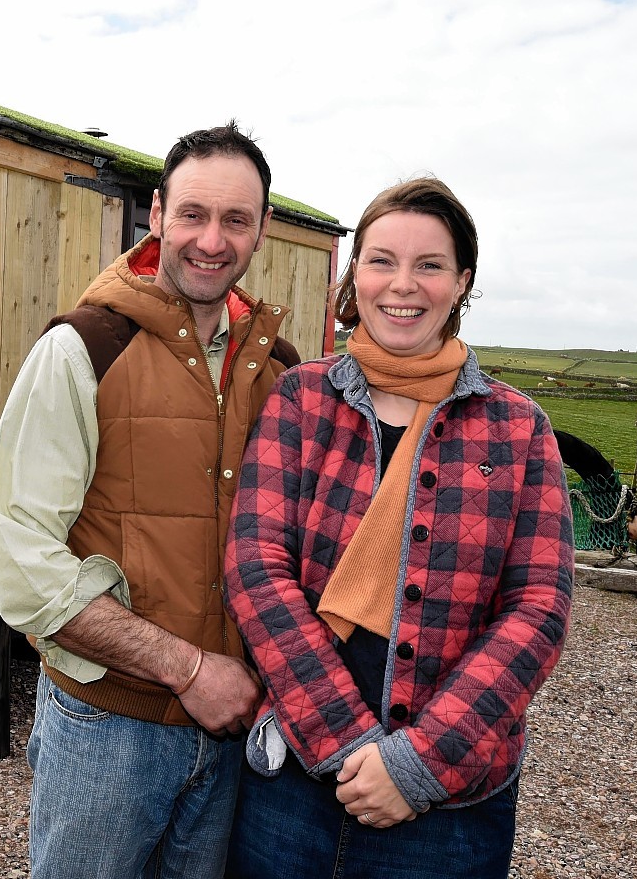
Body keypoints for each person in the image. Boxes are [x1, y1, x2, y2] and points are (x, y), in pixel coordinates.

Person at [223, 177, 574, 878]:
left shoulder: (518, 427)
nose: (402, 285)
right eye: (381, 260)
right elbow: (256, 566)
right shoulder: (302, 400)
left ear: (462, 281)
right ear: (357, 273)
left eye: (430, 265)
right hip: (295, 776)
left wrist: (418, 764)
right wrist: (348, 743)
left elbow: (538, 607)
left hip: (451, 801)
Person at [0, 121, 300, 879]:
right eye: (192, 213)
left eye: (236, 220)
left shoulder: (279, 369)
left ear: (263, 233)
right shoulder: (84, 347)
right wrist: (188, 669)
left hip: (235, 729)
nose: (211, 239)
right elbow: (19, 556)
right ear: (156, 215)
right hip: (107, 727)